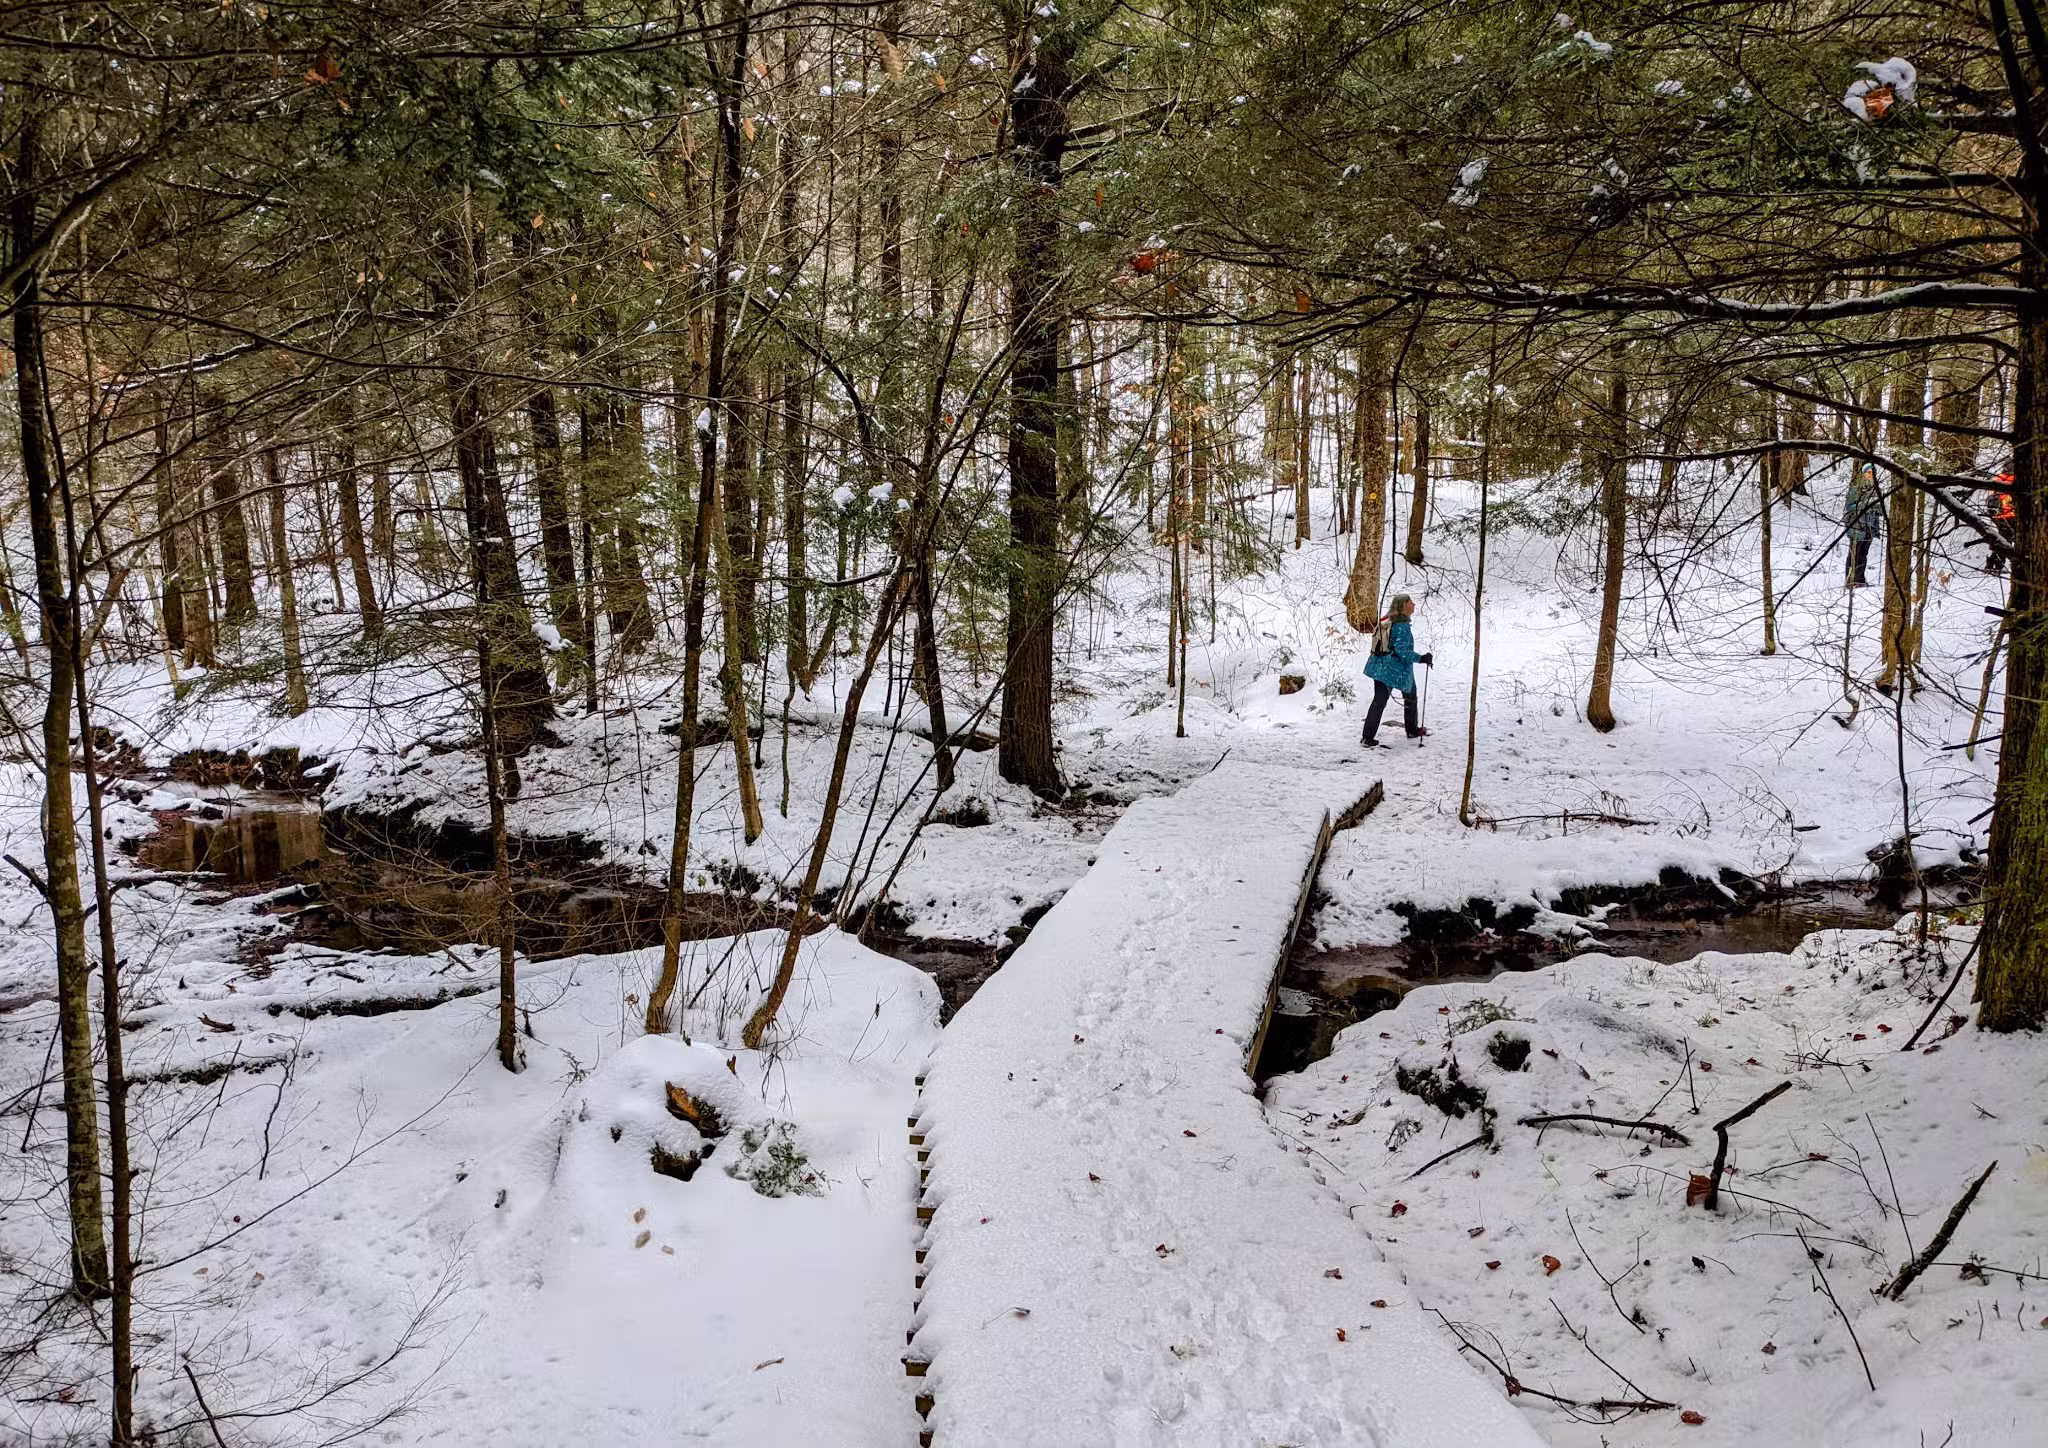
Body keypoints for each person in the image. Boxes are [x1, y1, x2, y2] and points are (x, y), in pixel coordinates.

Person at [1362, 594, 1432, 748]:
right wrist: (1422, 658)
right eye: (1410, 602)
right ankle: (1369, 737)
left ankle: (1369, 737)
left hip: (1380, 666)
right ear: (1403, 606)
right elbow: (1402, 651)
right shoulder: (1402, 626)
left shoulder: (1389, 621)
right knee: (1385, 701)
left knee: (1405, 695)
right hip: (1392, 670)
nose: (1414, 604)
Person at [1843, 462, 1883, 587]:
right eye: (1868, 472)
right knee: (1854, 553)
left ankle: (1860, 579)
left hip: (1870, 526)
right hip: (1856, 525)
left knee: (1863, 553)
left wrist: (1876, 509)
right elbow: (1849, 506)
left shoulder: (1877, 490)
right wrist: (1865, 505)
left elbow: (1881, 510)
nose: (1871, 475)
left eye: (1873, 472)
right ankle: (1850, 579)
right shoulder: (1855, 488)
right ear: (1863, 473)